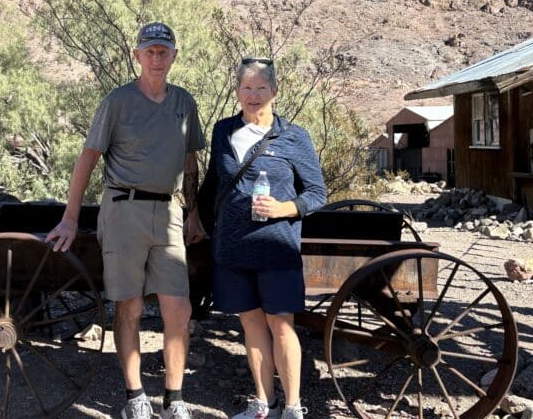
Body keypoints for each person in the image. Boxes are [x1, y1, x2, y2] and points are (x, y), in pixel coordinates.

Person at [46, 21, 207, 419]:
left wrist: (194, 212)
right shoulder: (117, 102)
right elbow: (87, 159)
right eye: (149, 51)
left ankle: (174, 399)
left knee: (178, 309)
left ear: (173, 57)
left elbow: (190, 163)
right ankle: (135, 397)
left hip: (168, 213)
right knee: (129, 307)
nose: (157, 58)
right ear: (137, 55)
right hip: (123, 209)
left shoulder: (183, 103)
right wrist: (69, 219)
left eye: (163, 52)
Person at [198, 57, 326, 419]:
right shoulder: (223, 131)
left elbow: (317, 193)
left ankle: (292, 407)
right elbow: (214, 183)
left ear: (274, 91)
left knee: (281, 325)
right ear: (237, 91)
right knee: (251, 325)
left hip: (276, 246)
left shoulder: (293, 136)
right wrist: (196, 217)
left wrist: (284, 208)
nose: (253, 95)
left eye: (260, 88)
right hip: (234, 247)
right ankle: (263, 403)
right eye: (246, 88)